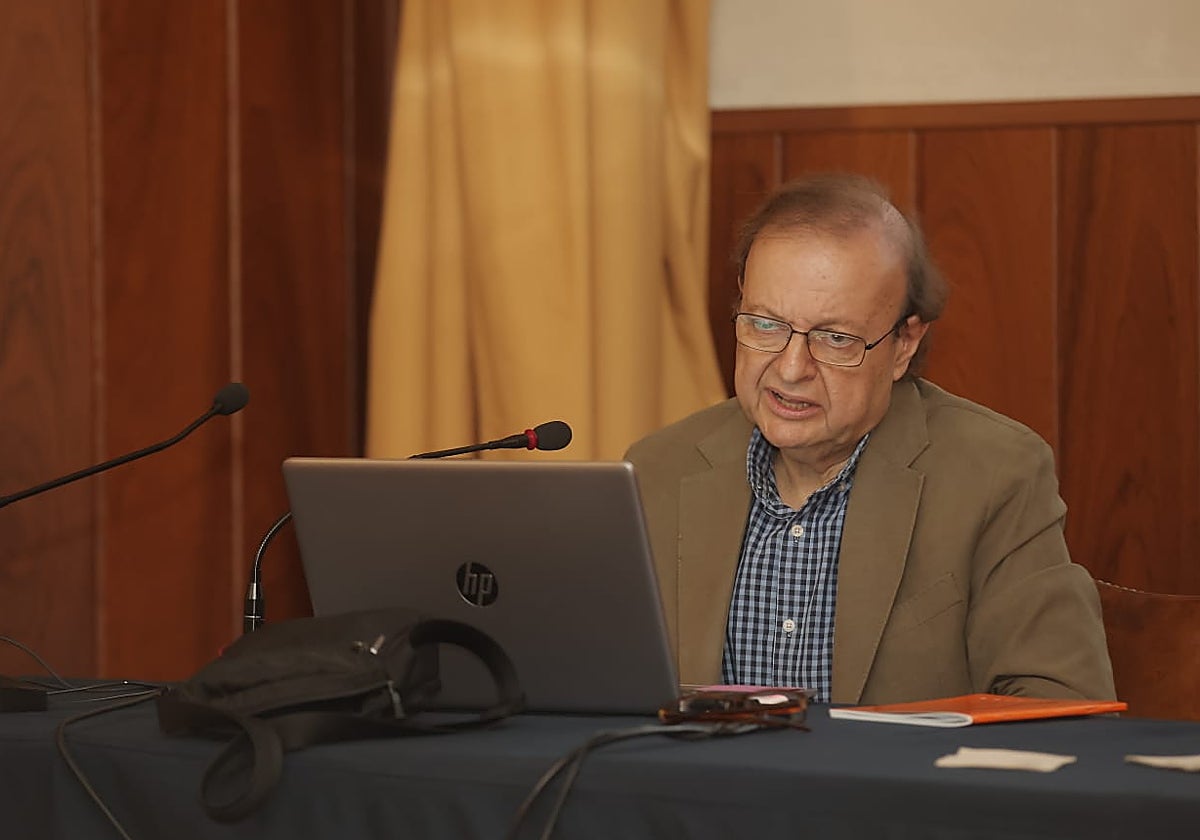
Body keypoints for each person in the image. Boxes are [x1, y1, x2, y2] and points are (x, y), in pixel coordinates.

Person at [626, 173, 1115, 705]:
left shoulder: (997, 475)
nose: (790, 370)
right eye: (765, 325)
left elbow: (1060, 701)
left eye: (835, 339)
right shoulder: (659, 469)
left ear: (904, 342)